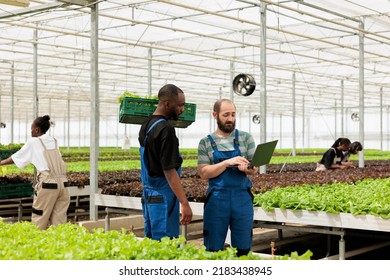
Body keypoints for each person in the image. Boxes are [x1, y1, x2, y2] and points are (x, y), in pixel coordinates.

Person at [197, 98, 259, 257]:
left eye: (233, 114)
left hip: (242, 198)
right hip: (217, 199)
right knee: (213, 248)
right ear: (215, 115)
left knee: (243, 248)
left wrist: (248, 168)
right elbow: (204, 172)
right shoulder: (206, 142)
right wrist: (226, 163)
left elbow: (255, 168)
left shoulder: (246, 138)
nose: (230, 119)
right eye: (226, 115)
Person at [138, 84, 193, 241]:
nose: (182, 109)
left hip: (149, 197)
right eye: (180, 105)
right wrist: (184, 203)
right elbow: (169, 171)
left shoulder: (146, 125)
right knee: (166, 247)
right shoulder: (166, 130)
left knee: (152, 243)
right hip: (163, 198)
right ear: (167, 104)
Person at [0, 115, 69, 230]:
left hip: (48, 185)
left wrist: (1, 163)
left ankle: (38, 245)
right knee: (59, 221)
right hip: (63, 185)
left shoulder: (34, 142)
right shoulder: (54, 141)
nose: (30, 131)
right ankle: (58, 245)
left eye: (31, 129)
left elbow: (17, 157)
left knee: (39, 218)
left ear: (37, 130)